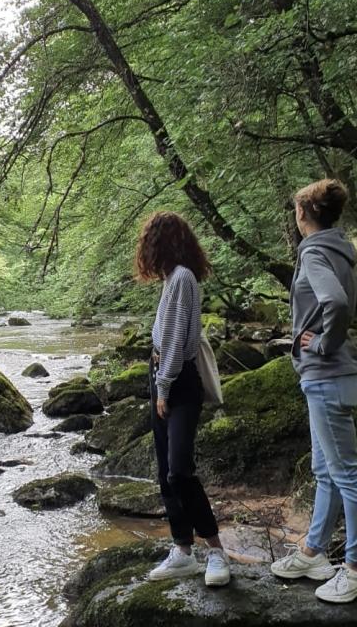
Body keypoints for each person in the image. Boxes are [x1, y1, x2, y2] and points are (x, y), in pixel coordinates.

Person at [271, 179, 357, 603]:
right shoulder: (339, 248)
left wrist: (322, 342)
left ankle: (354, 570)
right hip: (328, 377)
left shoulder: (315, 251)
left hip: (326, 375)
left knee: (348, 475)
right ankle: (312, 553)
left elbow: (336, 303)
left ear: (303, 214)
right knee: (326, 472)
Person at [135, 211, 230, 586]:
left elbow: (176, 340)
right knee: (164, 470)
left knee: (178, 469)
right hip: (163, 375)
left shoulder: (183, 279)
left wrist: (163, 386)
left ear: (159, 244)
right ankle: (182, 549)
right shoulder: (175, 278)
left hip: (176, 381)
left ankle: (217, 552)